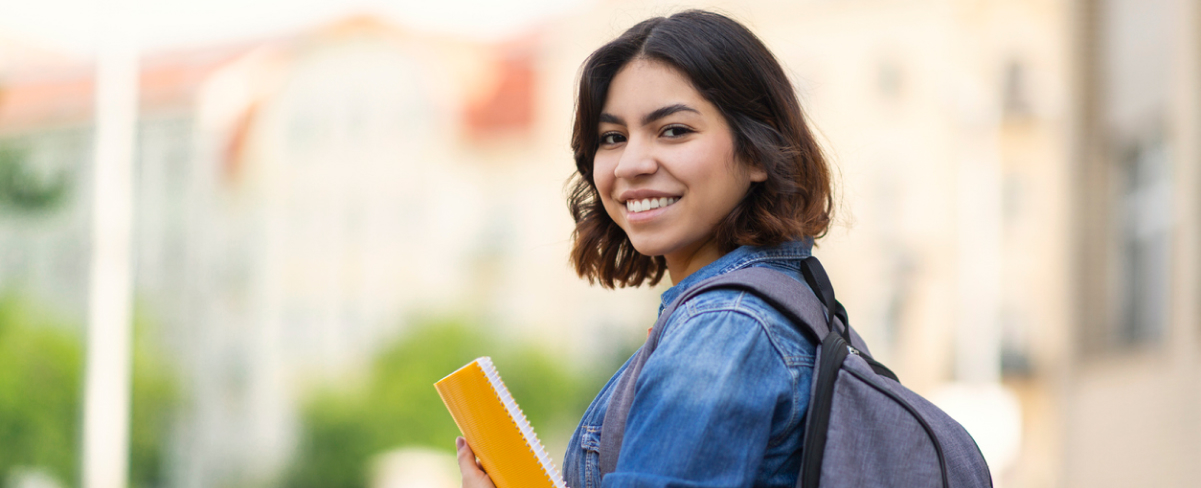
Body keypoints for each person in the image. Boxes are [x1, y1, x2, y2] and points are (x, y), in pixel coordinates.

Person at [456, 9, 835, 488]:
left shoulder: (723, 328)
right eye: (612, 138)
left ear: (758, 150)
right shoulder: (786, 300)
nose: (631, 163)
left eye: (674, 130)